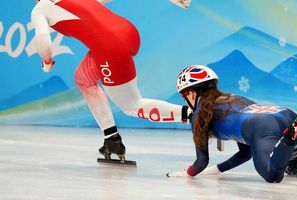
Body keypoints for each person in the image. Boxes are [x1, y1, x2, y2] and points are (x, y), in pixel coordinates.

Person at [31, 0, 192, 161]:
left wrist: (46, 63)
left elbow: (43, 39)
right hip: (128, 32)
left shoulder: (40, 9)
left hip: (110, 47)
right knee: (82, 79)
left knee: (132, 105)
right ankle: (111, 137)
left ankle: (197, 115)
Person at [166, 65, 297, 183]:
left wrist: (188, 173)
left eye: (184, 97)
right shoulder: (234, 97)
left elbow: (201, 162)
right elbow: (246, 152)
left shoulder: (198, 116)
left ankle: (289, 138)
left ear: (189, 93)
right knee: (293, 166)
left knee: (273, 175)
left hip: (261, 127)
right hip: (285, 114)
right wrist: (218, 170)